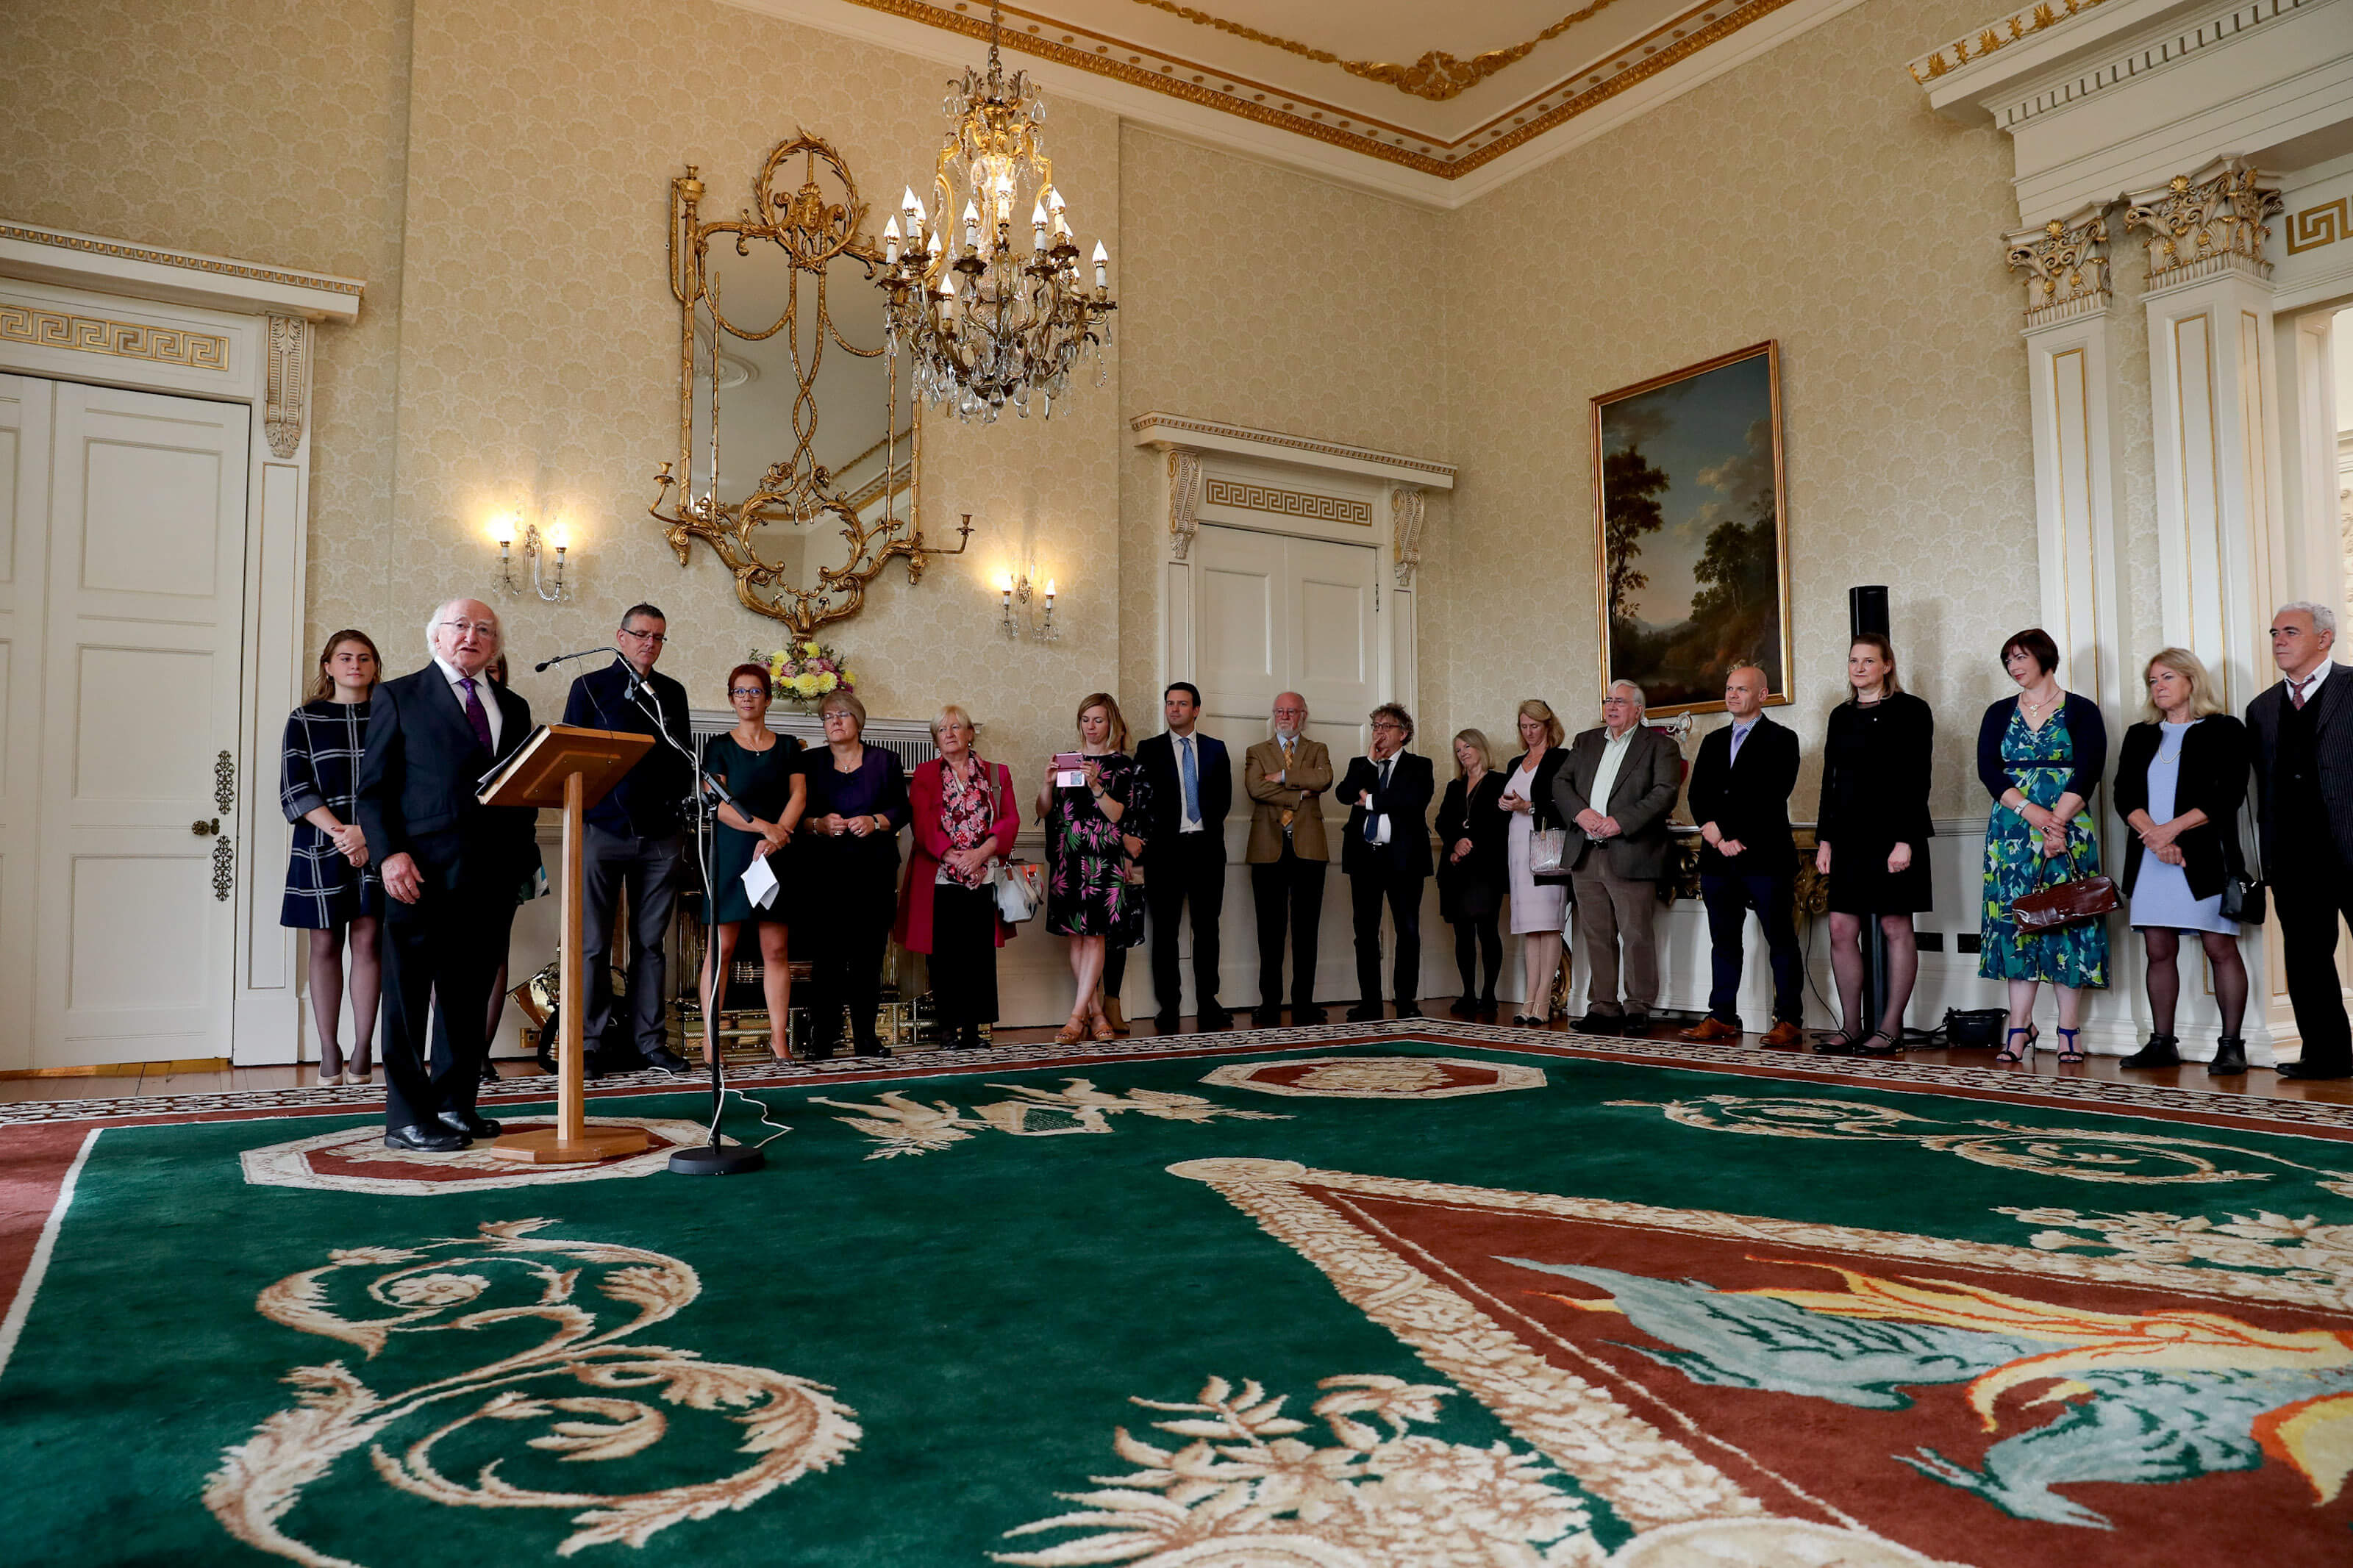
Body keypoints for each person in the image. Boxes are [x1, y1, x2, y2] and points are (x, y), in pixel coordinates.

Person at [354, 598, 535, 1150]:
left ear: (495, 645)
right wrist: (389, 855)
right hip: (418, 872)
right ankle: (407, 1118)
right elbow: (373, 790)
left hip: (491, 876)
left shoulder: (513, 705)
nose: (471, 636)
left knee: (466, 997)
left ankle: (455, 1105)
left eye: (484, 629)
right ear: (436, 637)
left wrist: (520, 859)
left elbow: (522, 792)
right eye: (460, 626)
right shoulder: (399, 696)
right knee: (408, 998)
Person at [563, 603, 693, 1074]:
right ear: (620, 637)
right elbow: (570, 754)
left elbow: (682, 759)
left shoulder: (671, 692)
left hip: (659, 835)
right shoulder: (589, 687)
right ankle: (589, 1044)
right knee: (592, 945)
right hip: (601, 829)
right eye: (641, 635)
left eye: (658, 637)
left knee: (651, 945)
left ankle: (649, 1043)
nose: (649, 644)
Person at [2115, 648, 2252, 1075]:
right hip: (2151, 857)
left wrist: (2170, 832)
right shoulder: (2140, 734)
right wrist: (2156, 840)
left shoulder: (2225, 729)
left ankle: (2232, 1047)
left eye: (2168, 678)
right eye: (2153, 680)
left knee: (2219, 947)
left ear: (2192, 680)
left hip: (2205, 857)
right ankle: (2162, 1044)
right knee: (2157, 949)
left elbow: (2228, 795)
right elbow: (2124, 794)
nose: (2158, 687)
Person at [1976, 628, 2109, 1064]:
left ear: (2044, 657)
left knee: (2068, 921)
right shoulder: (1998, 712)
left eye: (2021, 657)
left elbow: (2089, 769)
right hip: (2013, 831)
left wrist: (2057, 823)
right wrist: (2032, 813)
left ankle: (2069, 1029)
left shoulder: (2082, 710)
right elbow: (1989, 771)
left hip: (2070, 826)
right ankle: (2019, 1027)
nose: (2013, 666)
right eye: (2008, 659)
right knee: (2019, 924)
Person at [2246, 601, 2353, 1081]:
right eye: (2274, 633)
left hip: (2350, 846)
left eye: (2290, 631)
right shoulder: (2262, 708)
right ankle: (2327, 1057)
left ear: (2324, 638)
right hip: (2292, 856)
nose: (2279, 641)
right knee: (2307, 958)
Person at [1813, 634, 1934, 1056]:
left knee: (1894, 926)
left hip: (1894, 835)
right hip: (1847, 836)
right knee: (1840, 928)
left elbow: (1917, 778)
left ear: (1887, 665)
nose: (1860, 668)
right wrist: (1825, 840)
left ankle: (1890, 1027)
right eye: (1853, 661)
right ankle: (1851, 1027)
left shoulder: (1912, 710)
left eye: (1868, 661)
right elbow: (1830, 780)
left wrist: (1906, 840)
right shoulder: (1840, 715)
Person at [280, 629, 385, 1086]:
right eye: (345, 658)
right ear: (328, 666)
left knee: (368, 941)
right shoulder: (304, 719)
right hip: (321, 844)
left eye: (364, 658)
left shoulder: (391, 715)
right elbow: (295, 788)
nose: (355, 665)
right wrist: (344, 835)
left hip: (378, 844)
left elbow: (404, 783)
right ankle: (328, 1048)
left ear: (375, 666)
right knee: (323, 944)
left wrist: (368, 836)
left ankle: (363, 1048)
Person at [1680, 665, 1804, 1048]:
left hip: (1764, 855)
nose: (1732, 695)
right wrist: (1714, 833)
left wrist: (1729, 832)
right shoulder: (1713, 741)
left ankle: (1789, 1020)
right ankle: (1721, 1016)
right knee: (1724, 941)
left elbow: (1771, 795)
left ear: (1762, 695)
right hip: (1719, 859)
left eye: (1742, 689)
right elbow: (1698, 793)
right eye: (1729, 688)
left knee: (1780, 940)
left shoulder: (1782, 739)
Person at [1551, 681, 1682, 1036]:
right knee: (1596, 933)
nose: (1611, 707)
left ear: (1638, 709)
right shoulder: (1586, 741)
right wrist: (1580, 813)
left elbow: (1664, 793)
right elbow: (1560, 783)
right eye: (1608, 700)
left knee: (1635, 933)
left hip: (1631, 850)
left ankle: (1637, 1006)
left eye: (1620, 702)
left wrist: (1620, 822)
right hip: (1586, 851)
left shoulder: (1661, 746)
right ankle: (1603, 1007)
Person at [699, 663, 805, 1065]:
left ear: (768, 698)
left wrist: (779, 835)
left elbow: (798, 796)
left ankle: (779, 1041)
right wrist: (765, 828)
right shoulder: (718, 747)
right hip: (732, 851)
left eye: (755, 691)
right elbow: (719, 806)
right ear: (731, 699)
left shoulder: (788, 746)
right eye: (740, 692)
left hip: (776, 852)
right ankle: (711, 1041)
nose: (747, 698)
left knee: (776, 949)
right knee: (721, 949)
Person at [796, 690, 908, 1057]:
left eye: (842, 715)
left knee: (868, 958)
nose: (835, 722)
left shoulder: (885, 760)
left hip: (874, 871)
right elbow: (795, 815)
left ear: (858, 721)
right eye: (828, 717)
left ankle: (866, 1038)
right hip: (824, 874)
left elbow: (902, 810)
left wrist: (875, 821)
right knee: (827, 959)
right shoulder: (809, 762)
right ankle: (822, 1039)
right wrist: (818, 824)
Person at [899, 705, 1018, 1048]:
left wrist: (980, 855)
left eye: (956, 727)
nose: (949, 734)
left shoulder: (997, 773)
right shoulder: (925, 773)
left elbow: (1009, 819)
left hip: (984, 875)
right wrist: (955, 857)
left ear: (970, 734)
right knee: (944, 955)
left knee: (979, 955)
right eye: (942, 729)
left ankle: (973, 1030)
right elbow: (922, 822)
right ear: (935, 739)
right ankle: (948, 1028)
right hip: (939, 877)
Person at [1038, 692, 1149, 1043]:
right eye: (1086, 720)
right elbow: (1044, 811)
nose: (1091, 726)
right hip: (1069, 854)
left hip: (1104, 856)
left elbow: (1118, 816)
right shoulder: (1067, 760)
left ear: (1110, 723)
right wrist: (1047, 783)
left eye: (1098, 720)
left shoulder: (1123, 766)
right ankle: (1097, 1013)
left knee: (1096, 934)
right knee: (1076, 936)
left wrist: (1097, 785)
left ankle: (1075, 1017)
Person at [1135, 682, 1233, 1031]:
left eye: (1182, 704)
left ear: (1196, 710)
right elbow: (1140, 801)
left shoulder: (1216, 749)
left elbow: (1224, 800)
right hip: (1164, 853)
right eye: (1170, 703)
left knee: (1208, 930)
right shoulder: (1149, 749)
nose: (1174, 709)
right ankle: (1169, 1006)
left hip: (1207, 851)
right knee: (1165, 932)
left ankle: (1209, 1003)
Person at [1337, 703, 1434, 1021]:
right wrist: (1369, 762)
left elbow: (1412, 801)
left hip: (1404, 860)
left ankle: (1406, 1001)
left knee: (1408, 930)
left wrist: (1370, 800)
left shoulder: (1420, 766)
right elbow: (1344, 793)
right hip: (1366, 859)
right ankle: (1370, 1003)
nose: (1379, 732)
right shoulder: (1360, 764)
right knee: (1365, 932)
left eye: (1386, 727)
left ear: (1403, 734)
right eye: (1376, 726)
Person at [1243, 692, 1331, 1025]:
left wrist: (1280, 777)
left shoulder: (1318, 749)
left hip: (1309, 850)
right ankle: (1270, 1004)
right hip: (1268, 849)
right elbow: (1255, 789)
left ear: (1303, 715)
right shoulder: (1256, 751)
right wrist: (1300, 793)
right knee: (1270, 932)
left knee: (1307, 932)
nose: (1284, 716)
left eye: (1291, 711)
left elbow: (1323, 779)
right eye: (1279, 711)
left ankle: (1304, 1004)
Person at [1499, 699, 1572, 1028]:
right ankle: (1528, 997)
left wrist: (1529, 806)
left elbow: (1566, 804)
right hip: (1517, 846)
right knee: (1530, 927)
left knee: (1548, 924)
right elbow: (1510, 802)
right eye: (1524, 726)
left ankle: (1543, 999)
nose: (1529, 732)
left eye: (1535, 726)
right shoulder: (1516, 762)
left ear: (1548, 726)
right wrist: (1505, 804)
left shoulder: (1560, 758)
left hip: (1547, 848)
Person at [1437, 728, 1507, 1020]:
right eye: (1458, 750)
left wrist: (1469, 845)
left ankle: (1489, 995)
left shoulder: (1500, 782)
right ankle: (1468, 993)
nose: (1463, 753)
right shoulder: (1454, 786)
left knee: (1487, 931)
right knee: (1462, 934)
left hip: (1486, 868)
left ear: (1481, 748)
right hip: (1455, 869)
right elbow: (1442, 821)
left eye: (1467, 747)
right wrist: (1456, 843)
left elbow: (1501, 825)